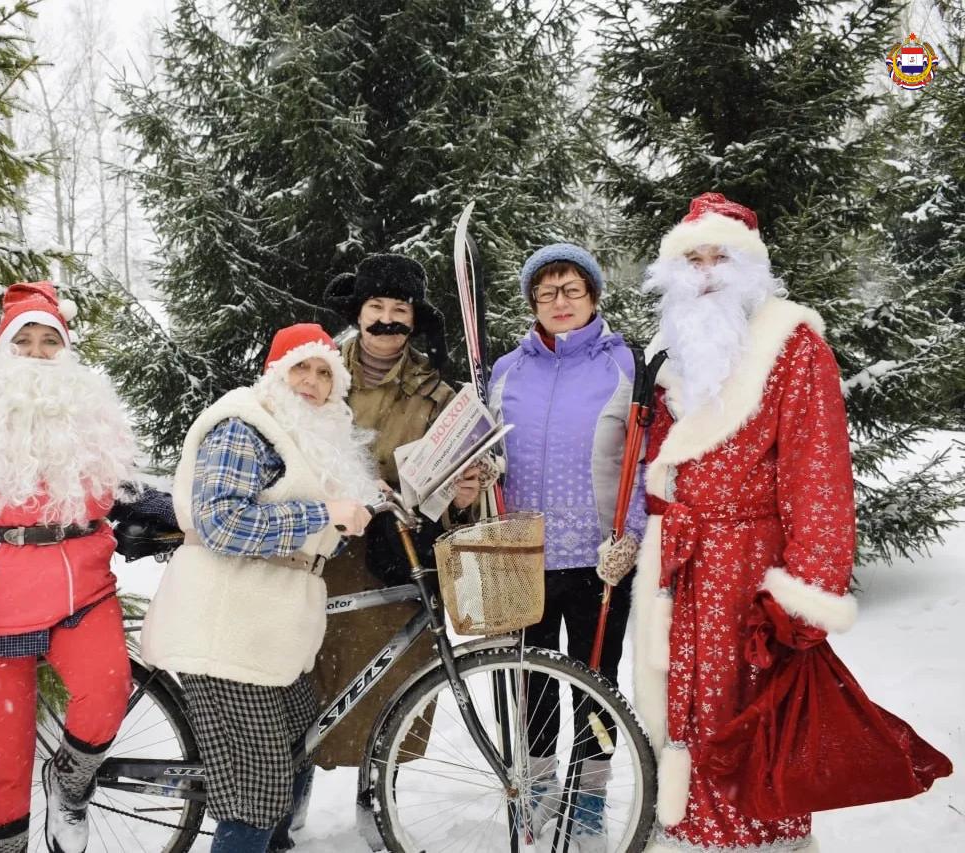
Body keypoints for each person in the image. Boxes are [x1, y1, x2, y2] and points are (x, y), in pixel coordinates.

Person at [632, 193, 949, 852]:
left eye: (724, 254)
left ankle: (759, 842)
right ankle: (689, 836)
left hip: (754, 573)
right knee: (683, 713)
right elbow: (658, 464)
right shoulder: (670, 348)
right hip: (682, 574)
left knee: (754, 724)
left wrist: (802, 597)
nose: (709, 267)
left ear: (751, 265)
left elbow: (820, 480)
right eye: (695, 255)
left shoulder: (794, 346)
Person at [0, 282, 139, 853]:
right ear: (1, 350)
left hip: (83, 594)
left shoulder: (90, 422)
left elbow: (126, 494)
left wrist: (188, 514)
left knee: (108, 693)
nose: (39, 354)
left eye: (50, 342)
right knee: (2, 767)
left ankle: (71, 782)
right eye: (26, 341)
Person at [141, 323, 377, 853]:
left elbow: (296, 517)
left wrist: (345, 516)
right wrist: (323, 512)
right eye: (301, 368)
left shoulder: (302, 438)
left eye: (324, 373)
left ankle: (273, 844)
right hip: (223, 629)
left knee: (298, 735)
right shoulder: (243, 425)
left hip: (265, 630)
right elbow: (221, 523)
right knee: (257, 783)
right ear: (275, 374)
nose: (312, 382)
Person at [488, 244, 646, 848]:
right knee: (528, 685)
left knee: (595, 684)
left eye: (572, 290)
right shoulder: (505, 371)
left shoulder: (625, 365)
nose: (560, 301)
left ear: (593, 298)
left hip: (598, 558)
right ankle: (535, 786)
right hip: (522, 557)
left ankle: (588, 798)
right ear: (533, 302)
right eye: (547, 291)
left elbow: (644, 454)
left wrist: (629, 534)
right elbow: (484, 454)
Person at [309, 254, 481, 787]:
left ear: (414, 318)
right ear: (358, 312)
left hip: (396, 556)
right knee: (302, 681)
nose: (386, 319)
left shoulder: (439, 396)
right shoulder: (316, 372)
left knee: (389, 681)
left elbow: (457, 498)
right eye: (375, 306)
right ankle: (287, 802)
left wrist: (464, 492)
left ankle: (375, 799)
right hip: (316, 553)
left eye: (399, 309)